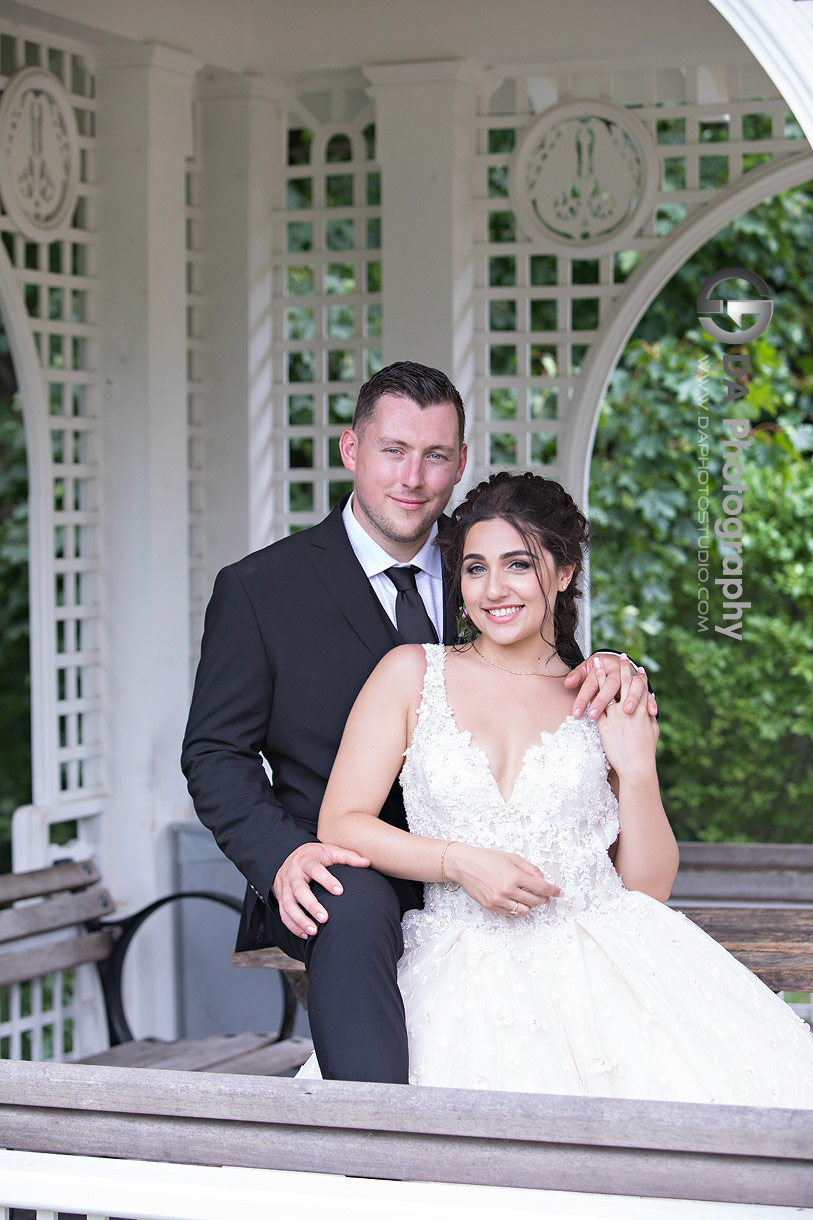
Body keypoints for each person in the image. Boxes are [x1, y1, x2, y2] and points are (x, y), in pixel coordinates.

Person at [181, 363, 653, 1086]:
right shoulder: (259, 589)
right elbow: (215, 751)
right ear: (350, 451)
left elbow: (546, 681)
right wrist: (283, 856)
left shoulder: (486, 568)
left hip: (507, 877)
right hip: (340, 861)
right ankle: (379, 1146)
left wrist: (613, 667)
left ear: (459, 463)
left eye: (435, 456)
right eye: (392, 451)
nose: (413, 477)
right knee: (353, 898)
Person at [309, 471, 813, 1104]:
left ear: (566, 569)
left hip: (605, 972)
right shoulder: (411, 673)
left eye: (519, 565)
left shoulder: (602, 693)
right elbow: (343, 822)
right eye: (474, 568)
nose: (494, 590)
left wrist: (636, 769)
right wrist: (458, 862)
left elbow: (647, 889)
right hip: (456, 966)